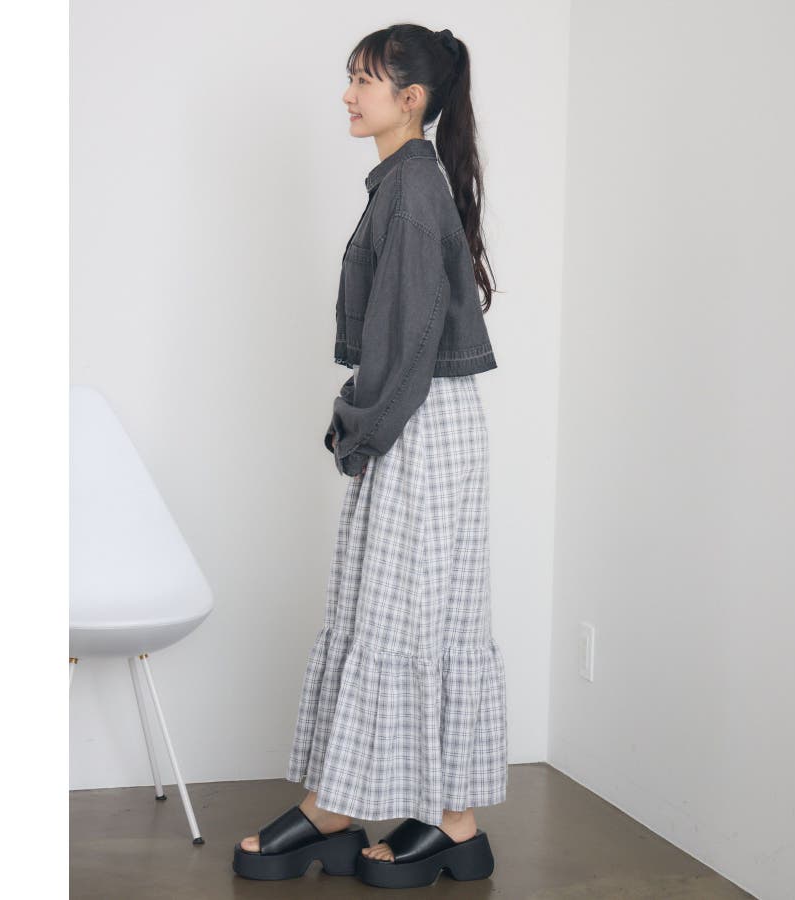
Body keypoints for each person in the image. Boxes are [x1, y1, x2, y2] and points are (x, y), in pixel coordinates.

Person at [233, 23, 508, 889]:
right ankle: (403, 816)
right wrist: (361, 423)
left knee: (410, 619)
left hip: (418, 419)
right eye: (350, 78)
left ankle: (410, 819)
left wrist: (358, 427)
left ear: (410, 99)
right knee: (408, 615)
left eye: (365, 80)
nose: (349, 95)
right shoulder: (403, 182)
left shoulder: (412, 188)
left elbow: (409, 339)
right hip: (419, 418)